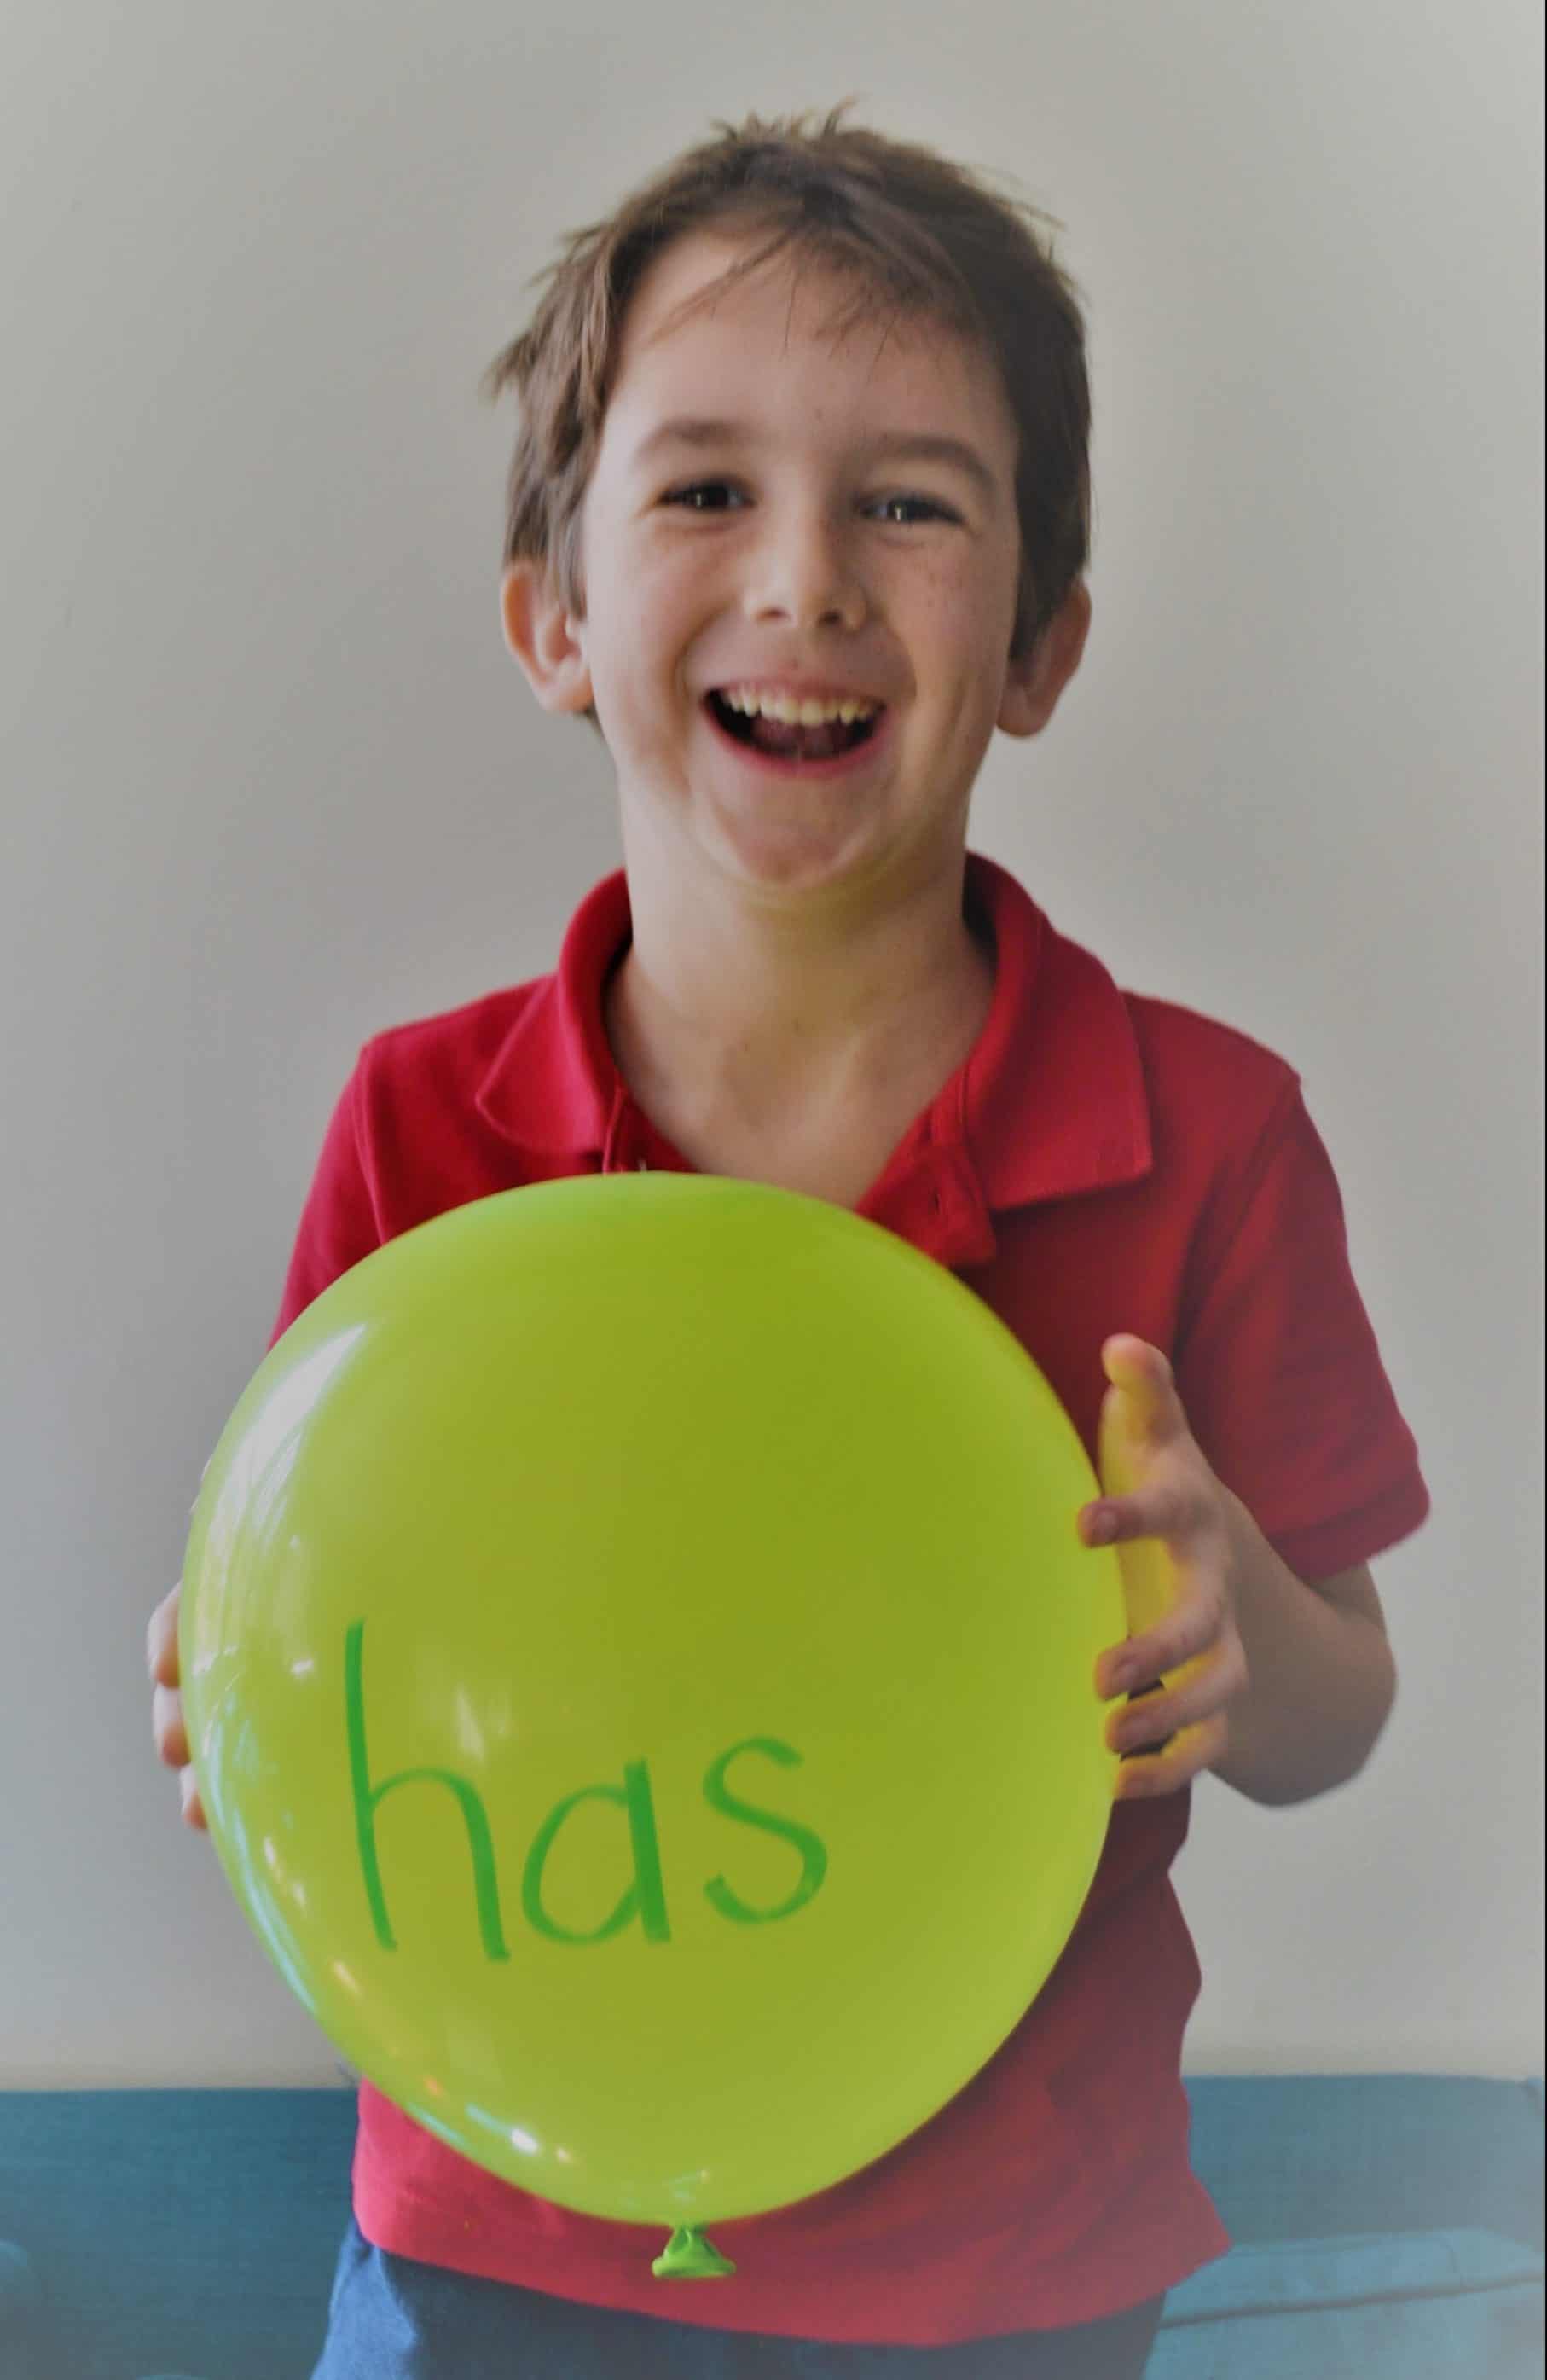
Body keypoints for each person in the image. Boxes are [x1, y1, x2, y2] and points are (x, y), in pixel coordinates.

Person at [146, 103, 1429, 2380]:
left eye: (911, 501)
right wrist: (229, 1681)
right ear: (553, 618)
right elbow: (323, 1605)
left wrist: (1250, 1642)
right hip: (493, 2232)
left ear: (1037, 644)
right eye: (707, 487)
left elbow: (1335, 1710)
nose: (809, 577)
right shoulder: (424, 1127)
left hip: (1011, 2271)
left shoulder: (1209, 1136)